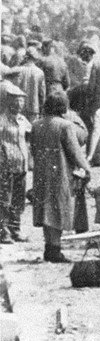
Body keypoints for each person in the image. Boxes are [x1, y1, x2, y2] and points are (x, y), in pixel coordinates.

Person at [30, 92, 91, 262]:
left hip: (41, 172)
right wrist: (87, 169)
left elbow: (33, 149)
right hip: (60, 172)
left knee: (46, 209)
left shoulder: (36, 125)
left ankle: (50, 247)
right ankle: (55, 251)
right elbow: (75, 151)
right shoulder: (66, 125)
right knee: (57, 208)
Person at [0, 83, 30, 243]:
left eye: (21, 102)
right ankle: (3, 231)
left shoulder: (23, 119)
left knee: (18, 199)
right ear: (9, 102)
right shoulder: (2, 120)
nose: (19, 105)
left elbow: (31, 135)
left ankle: (15, 229)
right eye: (16, 102)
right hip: (5, 165)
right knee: (5, 199)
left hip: (21, 163)